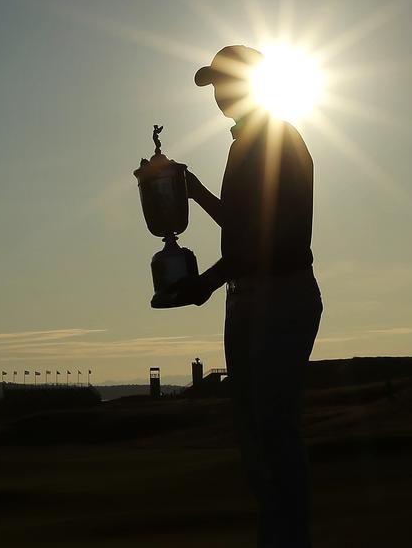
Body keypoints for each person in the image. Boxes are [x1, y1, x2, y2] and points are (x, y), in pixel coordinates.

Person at [172, 45, 323, 548]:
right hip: (250, 294)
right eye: (215, 86)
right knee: (256, 433)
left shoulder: (274, 141)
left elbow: (265, 237)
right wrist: (193, 192)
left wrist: (206, 284)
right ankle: (277, 536)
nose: (219, 95)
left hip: (279, 293)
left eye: (227, 84)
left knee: (273, 429)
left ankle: (290, 538)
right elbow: (242, 226)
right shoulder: (245, 144)